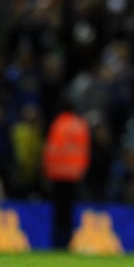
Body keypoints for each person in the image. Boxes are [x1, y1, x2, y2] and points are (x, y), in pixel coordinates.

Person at [42, 98, 91, 249]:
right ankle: (70, 242)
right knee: (70, 210)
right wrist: (81, 170)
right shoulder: (80, 125)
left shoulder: (57, 124)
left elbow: (50, 149)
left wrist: (47, 172)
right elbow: (84, 150)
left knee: (59, 211)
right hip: (74, 174)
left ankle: (58, 243)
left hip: (57, 174)